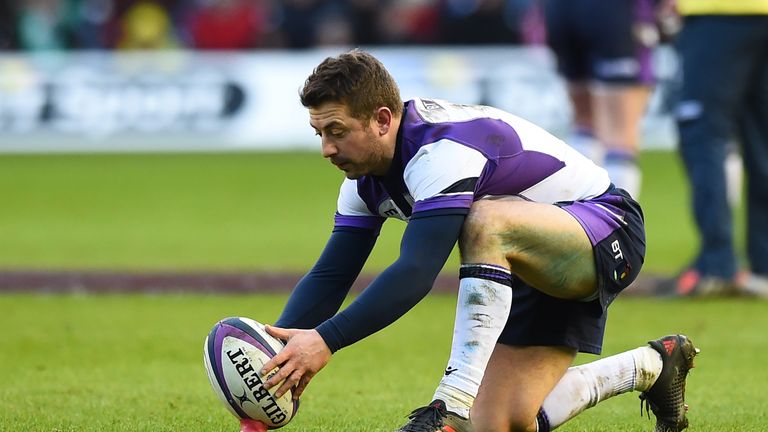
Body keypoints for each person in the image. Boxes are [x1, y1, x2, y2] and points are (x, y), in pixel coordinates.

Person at [258, 49, 698, 432]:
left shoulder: (441, 152)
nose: (326, 150)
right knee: (497, 424)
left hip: (605, 228)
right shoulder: (360, 179)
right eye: (320, 134)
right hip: (520, 260)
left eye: (336, 131)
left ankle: (450, 402)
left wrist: (325, 340)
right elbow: (333, 275)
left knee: (483, 219)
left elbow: (416, 272)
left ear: (382, 120)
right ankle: (651, 366)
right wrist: (273, 357)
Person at [666, 0, 768, 297]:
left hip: (717, 13)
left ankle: (716, 264)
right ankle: (763, 268)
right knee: (761, 143)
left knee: (703, 135)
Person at [543, 0, 661, 198]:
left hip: (561, 8)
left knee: (583, 120)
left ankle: (576, 215)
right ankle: (616, 222)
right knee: (619, 134)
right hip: (615, 11)